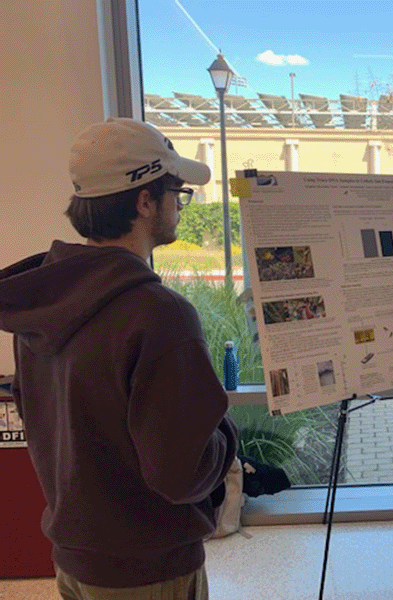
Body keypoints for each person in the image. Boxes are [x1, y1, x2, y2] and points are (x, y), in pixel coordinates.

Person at [0, 118, 238, 599]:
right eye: (177, 192)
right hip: (150, 570)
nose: (180, 205)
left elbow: (41, 422)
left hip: (74, 561)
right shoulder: (160, 315)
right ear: (144, 200)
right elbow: (182, 472)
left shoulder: (38, 302)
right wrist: (227, 436)